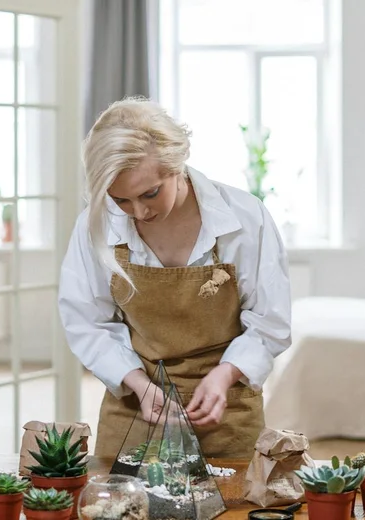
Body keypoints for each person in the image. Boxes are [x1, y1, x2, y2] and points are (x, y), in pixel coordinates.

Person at [58, 97, 292, 459]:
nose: (139, 212)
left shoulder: (245, 218)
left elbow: (269, 321)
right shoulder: (97, 223)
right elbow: (88, 323)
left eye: (150, 193)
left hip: (226, 410)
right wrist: (138, 384)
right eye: (121, 200)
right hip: (137, 406)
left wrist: (225, 375)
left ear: (178, 164)